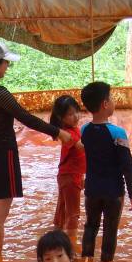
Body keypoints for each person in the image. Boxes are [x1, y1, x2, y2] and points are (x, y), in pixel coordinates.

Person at [0, 40, 73, 255]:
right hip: (2, 155)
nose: (7, 67)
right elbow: (25, 117)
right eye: (5, 63)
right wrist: (57, 132)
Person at [79, 82, 132, 262]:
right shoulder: (118, 132)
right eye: (111, 98)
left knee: (91, 226)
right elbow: (127, 165)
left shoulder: (84, 130)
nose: (113, 102)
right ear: (105, 104)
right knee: (110, 229)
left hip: (92, 189)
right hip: (113, 191)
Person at [49, 95, 86, 244]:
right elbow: (82, 147)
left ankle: (56, 239)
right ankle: (71, 246)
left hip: (69, 175)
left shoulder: (73, 129)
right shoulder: (68, 133)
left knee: (64, 210)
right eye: (70, 114)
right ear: (61, 118)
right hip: (70, 177)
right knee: (73, 213)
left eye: (76, 111)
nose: (76, 116)